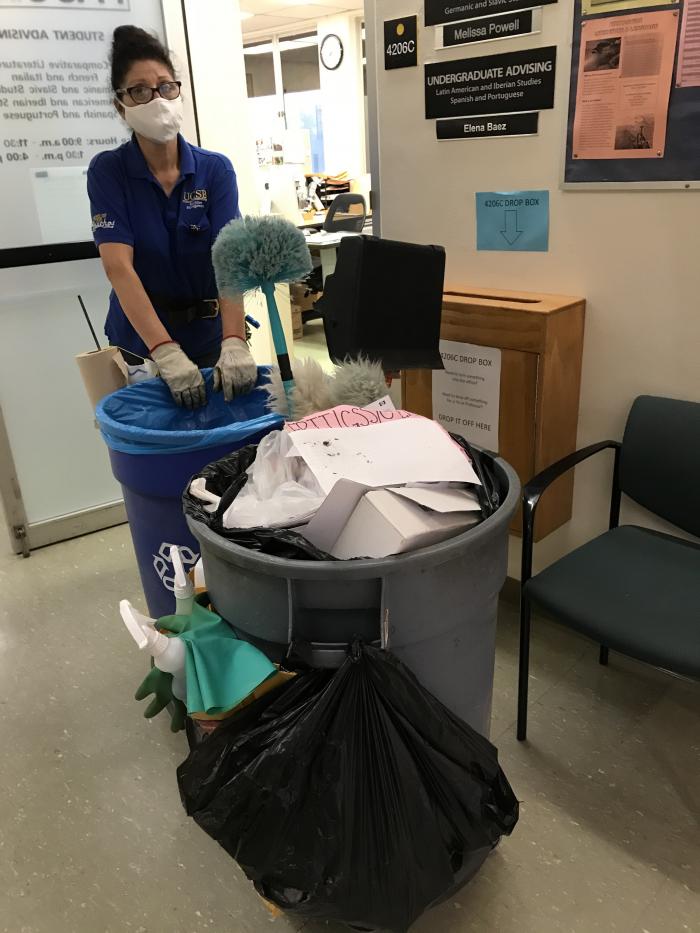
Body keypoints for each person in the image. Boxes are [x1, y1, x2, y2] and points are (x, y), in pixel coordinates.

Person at [87, 26, 256, 408]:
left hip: (211, 337)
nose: (157, 99)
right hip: (141, 346)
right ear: (121, 104)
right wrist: (164, 350)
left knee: (226, 454)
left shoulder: (215, 171)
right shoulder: (109, 172)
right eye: (140, 91)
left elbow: (230, 258)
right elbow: (119, 268)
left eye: (166, 86)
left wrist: (234, 340)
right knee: (154, 451)